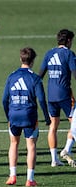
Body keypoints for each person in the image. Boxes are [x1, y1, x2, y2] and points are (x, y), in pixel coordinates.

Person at [2, 47, 51, 187]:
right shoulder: (35, 78)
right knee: (31, 146)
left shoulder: (11, 76)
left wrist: (8, 116)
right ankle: (30, 179)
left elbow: (4, 100)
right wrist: (47, 117)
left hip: (14, 114)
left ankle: (12, 176)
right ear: (33, 61)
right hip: (29, 115)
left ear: (20, 59)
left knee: (13, 144)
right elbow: (41, 100)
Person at [39, 29, 76, 167]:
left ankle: (54, 160)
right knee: (74, 123)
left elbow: (40, 76)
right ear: (68, 41)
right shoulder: (69, 54)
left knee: (53, 126)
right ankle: (67, 149)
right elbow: (75, 74)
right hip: (65, 95)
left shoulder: (49, 53)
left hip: (51, 96)